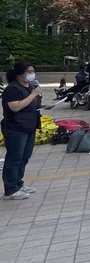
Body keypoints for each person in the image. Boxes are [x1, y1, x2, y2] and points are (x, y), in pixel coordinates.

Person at [2, 62, 43, 200]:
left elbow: (30, 104)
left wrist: (44, 105)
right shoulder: (13, 89)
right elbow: (16, 107)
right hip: (15, 128)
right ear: (19, 74)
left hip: (29, 126)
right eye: (28, 71)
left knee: (24, 157)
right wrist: (34, 94)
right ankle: (10, 189)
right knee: (14, 158)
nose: (31, 74)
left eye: (33, 71)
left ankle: (18, 183)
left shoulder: (30, 87)